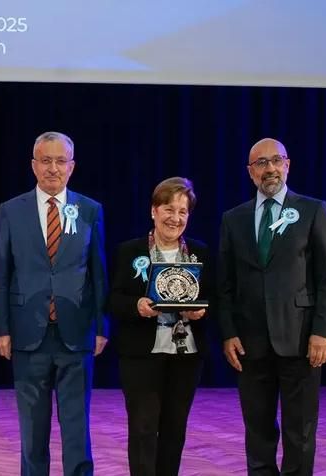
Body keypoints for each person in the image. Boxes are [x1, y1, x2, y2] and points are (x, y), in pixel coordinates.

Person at [218, 138, 326, 475]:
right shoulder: (233, 219)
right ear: (250, 172)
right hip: (250, 343)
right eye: (261, 163)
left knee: (300, 431)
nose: (269, 168)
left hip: (301, 339)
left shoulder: (313, 211)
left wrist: (323, 331)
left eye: (276, 160)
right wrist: (228, 333)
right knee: (258, 432)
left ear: (287, 165)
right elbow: (224, 284)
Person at [0, 131, 108, 476]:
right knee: (32, 432)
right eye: (46, 161)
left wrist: (101, 326)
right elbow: (1, 272)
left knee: (77, 429)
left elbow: (98, 272)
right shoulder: (11, 210)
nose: (53, 168)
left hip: (77, 332)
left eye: (60, 161)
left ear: (72, 167)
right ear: (33, 165)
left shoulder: (90, 209)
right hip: (27, 332)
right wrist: (1, 328)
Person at [108, 177, 210, 476]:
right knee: (142, 428)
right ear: (153, 211)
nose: (175, 218)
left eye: (182, 211)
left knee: (174, 429)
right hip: (141, 354)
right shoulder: (130, 251)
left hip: (186, 355)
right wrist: (136, 305)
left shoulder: (200, 252)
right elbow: (112, 299)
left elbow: (216, 297)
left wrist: (200, 311)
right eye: (168, 209)